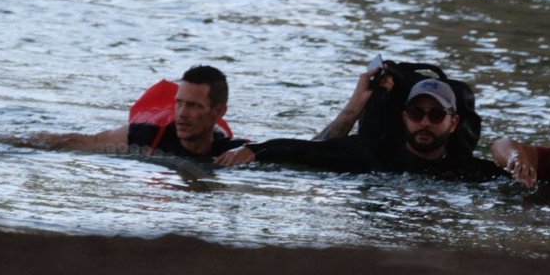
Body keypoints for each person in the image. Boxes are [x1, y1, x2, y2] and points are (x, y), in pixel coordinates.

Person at [215, 75, 505, 182]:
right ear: (404, 116)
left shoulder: (465, 170)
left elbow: (508, 181)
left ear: (453, 122)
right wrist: (254, 150)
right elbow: (308, 151)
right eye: (417, 113)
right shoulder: (371, 153)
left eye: (436, 114)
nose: (425, 122)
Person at [2, 64, 248, 160]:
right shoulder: (147, 137)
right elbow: (77, 141)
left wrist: (251, 151)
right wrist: (3, 142)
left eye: (193, 106)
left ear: (218, 112)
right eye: (179, 103)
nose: (181, 113)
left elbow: (285, 148)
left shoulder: (231, 151)